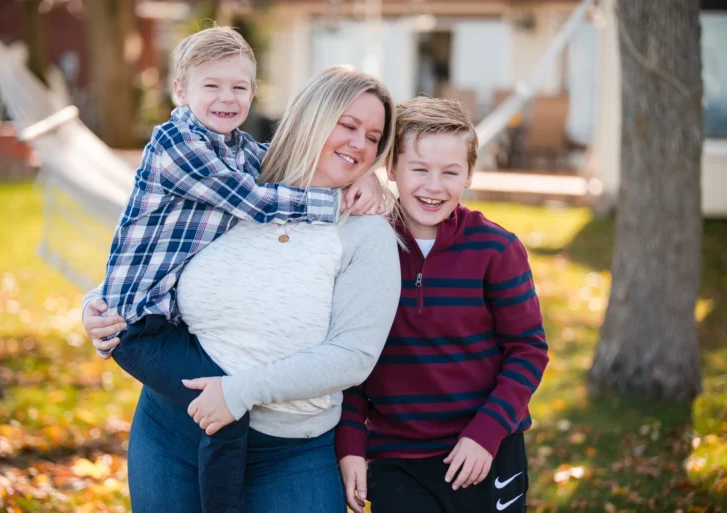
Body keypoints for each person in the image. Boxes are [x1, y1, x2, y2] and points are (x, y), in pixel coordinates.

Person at [84, 27, 382, 513]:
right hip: (143, 330)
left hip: (290, 438)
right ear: (180, 91)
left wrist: (363, 172)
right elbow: (255, 201)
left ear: (254, 93)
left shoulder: (239, 150)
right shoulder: (179, 145)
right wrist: (333, 203)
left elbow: (286, 165)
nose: (227, 98)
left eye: (239, 88)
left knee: (226, 411)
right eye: (211, 86)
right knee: (228, 415)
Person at [336, 97, 550, 513]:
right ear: (392, 170)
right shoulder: (365, 245)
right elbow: (349, 358)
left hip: (485, 450)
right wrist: (350, 446)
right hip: (397, 459)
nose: (434, 187)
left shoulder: (496, 249)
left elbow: (528, 350)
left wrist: (487, 433)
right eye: (419, 169)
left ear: (469, 174)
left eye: (450, 172)